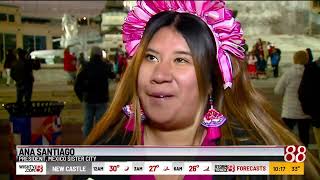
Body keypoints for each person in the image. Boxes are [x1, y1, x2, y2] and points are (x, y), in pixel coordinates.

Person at [80, 1, 319, 180]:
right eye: (151, 57)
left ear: (213, 79)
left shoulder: (261, 162)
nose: (160, 75)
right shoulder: (100, 154)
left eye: (182, 60)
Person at [74, 46, 115, 137]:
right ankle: (98, 142)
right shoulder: (105, 66)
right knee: (100, 123)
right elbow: (113, 76)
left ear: (91, 55)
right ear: (100, 55)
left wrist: (81, 97)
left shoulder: (86, 66)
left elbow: (77, 84)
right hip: (102, 99)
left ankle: (87, 143)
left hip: (88, 98)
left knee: (87, 122)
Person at [274, 51, 312, 147]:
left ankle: (287, 157)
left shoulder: (289, 73)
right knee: (304, 138)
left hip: (289, 111)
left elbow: (278, 90)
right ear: (306, 59)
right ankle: (304, 158)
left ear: (294, 59)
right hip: (305, 112)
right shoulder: (310, 73)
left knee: (286, 137)